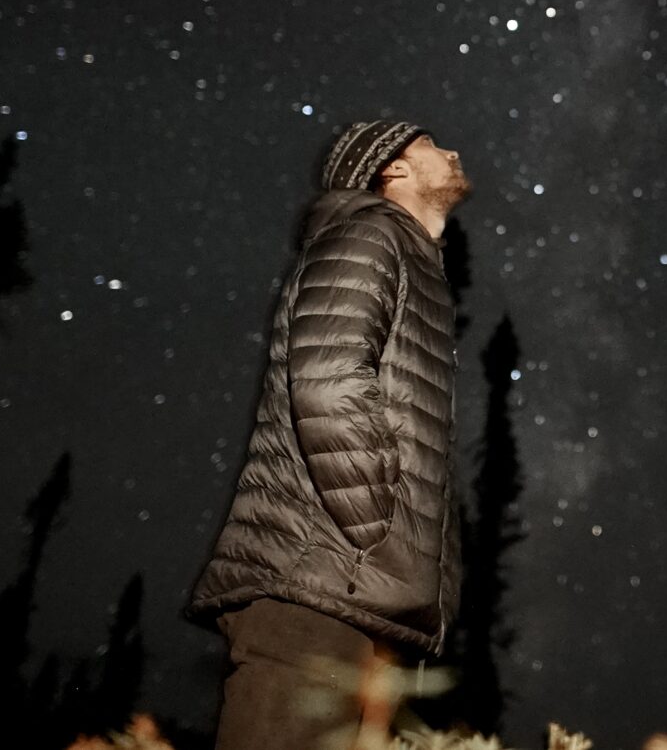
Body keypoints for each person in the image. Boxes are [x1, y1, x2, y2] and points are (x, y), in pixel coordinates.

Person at [191, 120, 470, 750]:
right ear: (390, 168)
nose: (451, 151)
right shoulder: (371, 232)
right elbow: (327, 377)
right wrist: (376, 528)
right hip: (317, 588)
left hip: (360, 596)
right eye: (428, 144)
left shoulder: (406, 255)